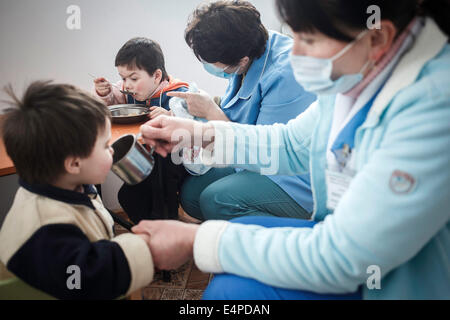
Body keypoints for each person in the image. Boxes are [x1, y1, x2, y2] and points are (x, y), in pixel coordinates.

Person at [133, 0, 450, 300]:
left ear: (378, 36)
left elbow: (343, 257)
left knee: (227, 293)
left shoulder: (432, 110)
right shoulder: (355, 70)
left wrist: (195, 242)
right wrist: (201, 133)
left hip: (383, 277)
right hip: (336, 232)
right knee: (238, 238)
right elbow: (291, 144)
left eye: (309, 40)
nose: (295, 51)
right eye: (293, 33)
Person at [0, 81, 154, 299]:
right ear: (73, 164)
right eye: (104, 146)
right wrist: (146, 248)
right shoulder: (46, 231)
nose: (111, 150)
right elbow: (87, 280)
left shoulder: (68, 186)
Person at [167, 0, 317, 222]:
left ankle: (282, 241)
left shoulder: (285, 73)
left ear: (242, 60)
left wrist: (209, 111)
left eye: (214, 64)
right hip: (258, 156)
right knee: (191, 195)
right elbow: (242, 107)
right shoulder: (248, 48)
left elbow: (268, 152)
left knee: (214, 199)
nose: (212, 68)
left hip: (291, 175)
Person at [93, 37, 190, 223]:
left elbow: (192, 121)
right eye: (123, 78)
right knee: (128, 197)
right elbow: (112, 102)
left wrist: (171, 115)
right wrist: (104, 93)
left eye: (133, 78)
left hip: (176, 162)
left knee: (159, 188)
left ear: (156, 76)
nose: (126, 85)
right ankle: (151, 228)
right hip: (146, 161)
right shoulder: (129, 91)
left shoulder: (177, 93)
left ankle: (166, 226)